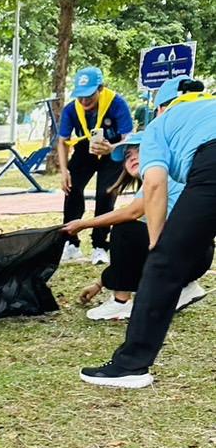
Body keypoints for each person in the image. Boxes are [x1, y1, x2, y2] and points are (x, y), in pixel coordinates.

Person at [81, 76, 216, 388]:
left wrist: (158, 248)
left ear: (160, 108)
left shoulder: (160, 126)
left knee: (163, 264)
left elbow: (154, 184)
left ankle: (131, 366)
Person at [64, 131, 208, 322]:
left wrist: (83, 224)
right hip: (194, 255)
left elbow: (132, 213)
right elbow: (132, 256)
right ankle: (184, 287)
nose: (131, 157)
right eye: (127, 155)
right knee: (135, 235)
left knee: (126, 230)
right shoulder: (154, 180)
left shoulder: (164, 176)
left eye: (137, 151)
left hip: (190, 254)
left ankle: (121, 303)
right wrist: (99, 284)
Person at [57, 66, 134, 266]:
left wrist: (112, 148)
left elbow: (128, 137)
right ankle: (71, 243)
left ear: (100, 88)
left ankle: (100, 245)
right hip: (85, 148)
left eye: (89, 96)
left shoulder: (117, 103)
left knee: (106, 194)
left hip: (112, 149)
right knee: (71, 188)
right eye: (80, 96)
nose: (84, 101)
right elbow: (62, 140)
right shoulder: (71, 109)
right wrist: (64, 170)